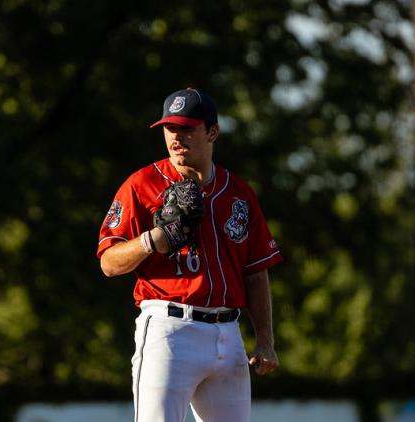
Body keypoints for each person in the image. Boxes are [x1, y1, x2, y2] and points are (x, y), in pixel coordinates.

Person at [97, 87, 283, 422]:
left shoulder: (238, 193)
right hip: (170, 330)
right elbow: (109, 263)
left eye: (187, 128)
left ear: (212, 131)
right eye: (170, 129)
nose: (176, 137)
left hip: (228, 334)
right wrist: (151, 241)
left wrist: (265, 341)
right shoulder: (142, 185)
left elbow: (256, 271)